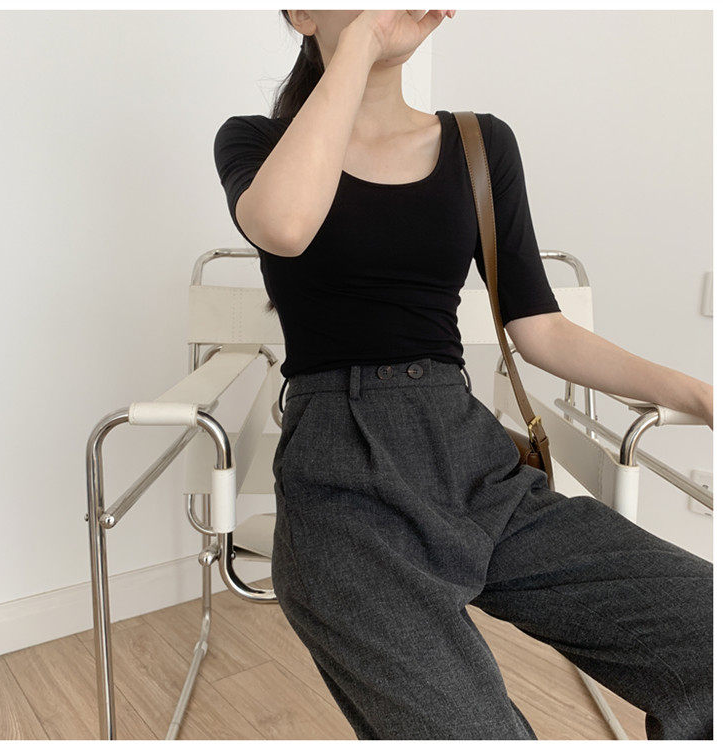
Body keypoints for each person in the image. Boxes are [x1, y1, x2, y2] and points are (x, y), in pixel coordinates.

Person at [213, 10, 713, 740]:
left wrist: (703, 393)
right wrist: (360, 41)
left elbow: (540, 328)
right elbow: (285, 226)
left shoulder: (481, 144)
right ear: (299, 11)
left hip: (476, 466)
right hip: (339, 490)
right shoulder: (256, 141)